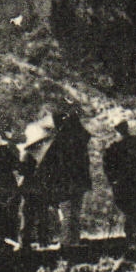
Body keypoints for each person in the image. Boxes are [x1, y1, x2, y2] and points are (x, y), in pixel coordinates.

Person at [39, 106, 92, 248]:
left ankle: (67, 244)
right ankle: (73, 242)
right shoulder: (79, 139)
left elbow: (48, 164)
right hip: (78, 182)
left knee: (68, 214)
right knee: (74, 213)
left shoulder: (59, 141)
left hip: (64, 183)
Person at [102, 119, 136, 243]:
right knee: (126, 203)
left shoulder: (134, 143)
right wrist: (112, 178)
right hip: (125, 180)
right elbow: (107, 165)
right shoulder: (115, 145)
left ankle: (131, 232)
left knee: (129, 203)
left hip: (131, 179)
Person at [17, 122, 54, 250]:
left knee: (28, 216)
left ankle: (25, 242)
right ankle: (42, 241)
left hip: (30, 188)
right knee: (41, 215)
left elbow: (22, 171)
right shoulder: (44, 155)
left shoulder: (27, 154)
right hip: (40, 188)